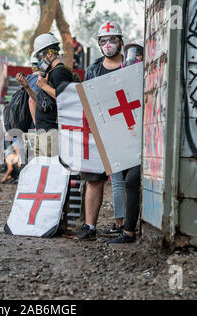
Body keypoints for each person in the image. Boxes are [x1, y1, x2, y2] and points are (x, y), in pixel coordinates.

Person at [75, 21, 127, 241]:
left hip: (126, 132)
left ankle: (121, 225)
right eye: (103, 41)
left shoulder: (132, 65)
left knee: (121, 181)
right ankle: (90, 227)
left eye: (113, 39)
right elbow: (87, 100)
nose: (108, 45)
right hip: (99, 132)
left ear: (121, 42)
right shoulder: (93, 69)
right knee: (94, 179)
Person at [104, 40, 145, 236]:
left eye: (137, 53)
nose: (133, 57)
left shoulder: (148, 76)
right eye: (131, 53)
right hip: (129, 140)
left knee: (131, 181)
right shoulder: (119, 78)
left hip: (146, 142)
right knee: (128, 182)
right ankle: (127, 228)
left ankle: (128, 230)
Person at [32, 32, 74, 157]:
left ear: (49, 54)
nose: (39, 61)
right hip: (46, 132)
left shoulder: (59, 72)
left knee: (51, 170)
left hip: (53, 132)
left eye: (40, 57)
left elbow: (66, 98)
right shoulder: (51, 73)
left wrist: (44, 86)